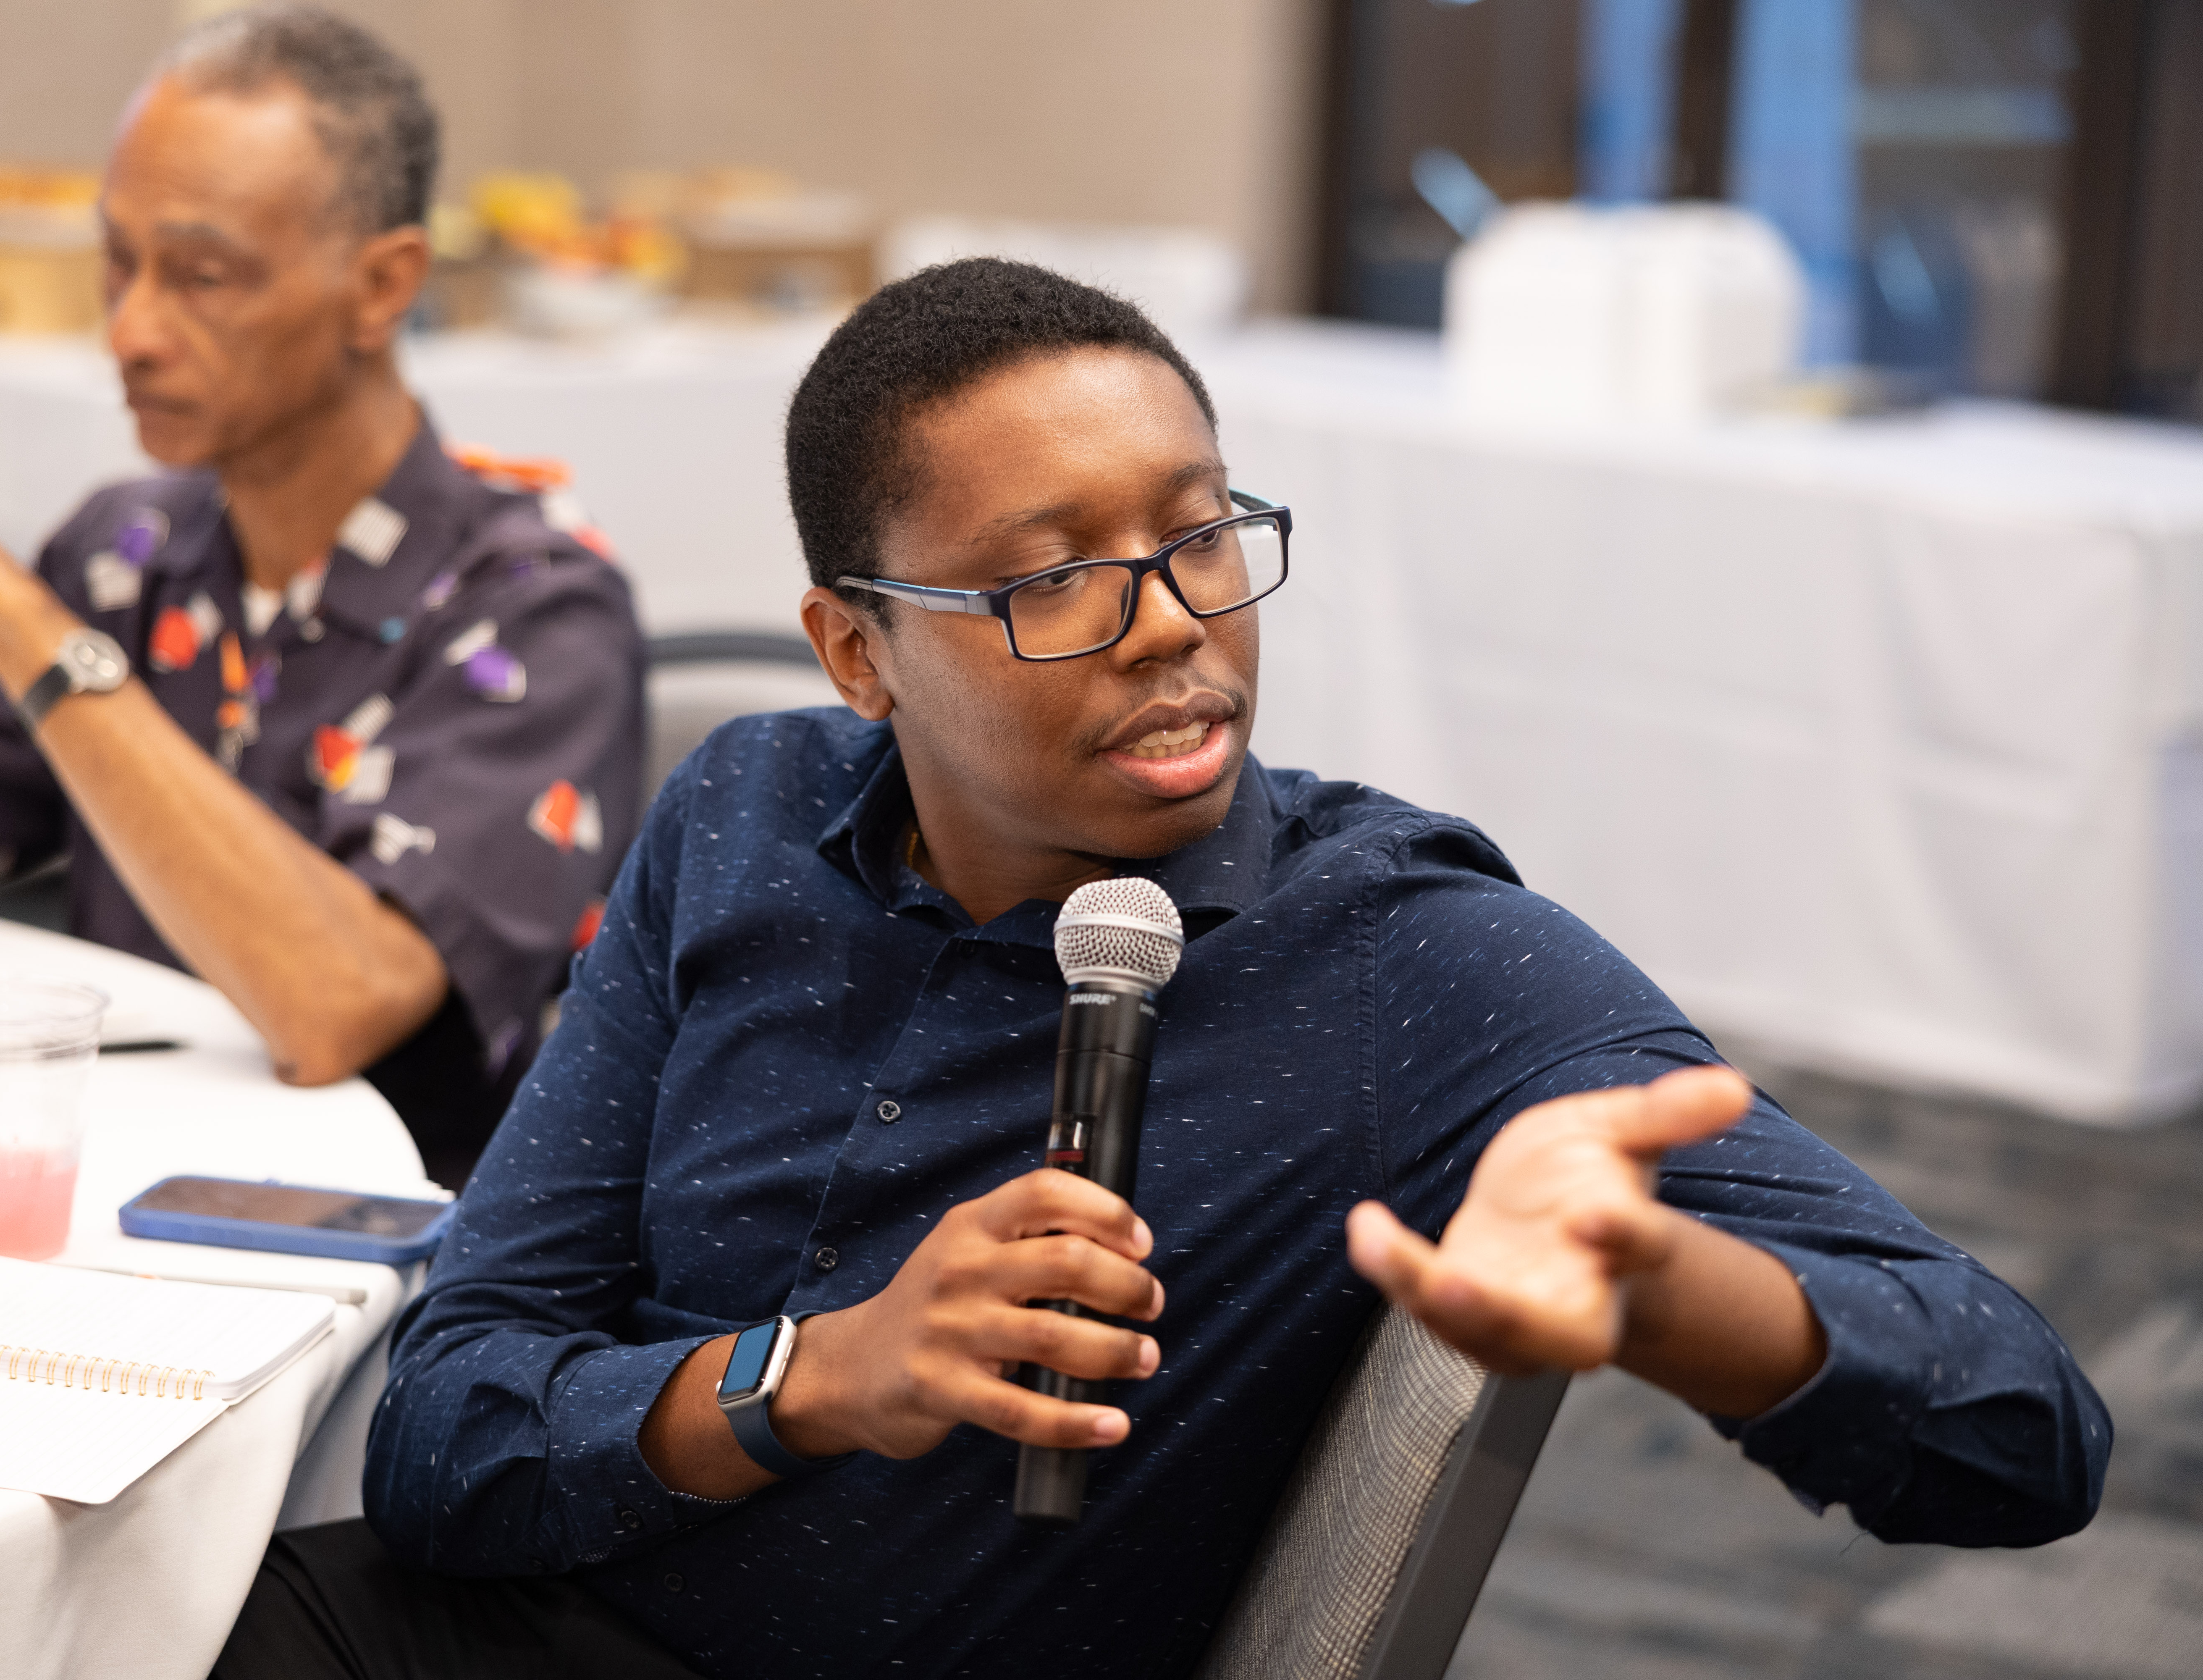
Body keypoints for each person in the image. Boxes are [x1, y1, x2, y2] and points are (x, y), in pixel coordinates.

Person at [210, 260, 2109, 1679]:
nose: (1175, 628)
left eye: (1199, 536)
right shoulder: (741, 812)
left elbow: (2023, 1431)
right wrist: (820, 1374)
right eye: (1053, 579)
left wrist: (1673, 1291)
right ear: (859, 652)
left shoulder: (1415, 962)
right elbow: (454, 1422)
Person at [0, 7, 643, 1188]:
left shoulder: (541, 602)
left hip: (392, 1273)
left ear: (383, 285)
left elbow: (337, 1001)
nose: (131, 329)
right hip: (105, 1190)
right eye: (116, 260)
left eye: (202, 275)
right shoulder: (131, 552)